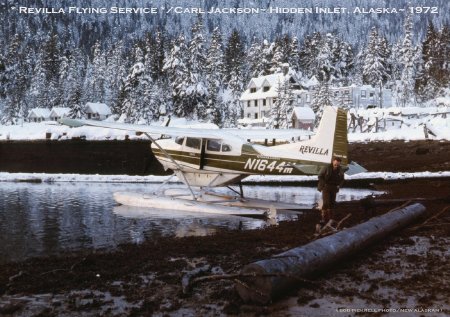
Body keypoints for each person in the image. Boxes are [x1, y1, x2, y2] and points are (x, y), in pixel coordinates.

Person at [317, 157, 345, 227]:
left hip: (334, 187)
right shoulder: (326, 167)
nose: (336, 165)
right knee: (326, 203)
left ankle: (330, 219)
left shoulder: (340, 169)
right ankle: (323, 219)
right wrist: (323, 184)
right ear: (333, 162)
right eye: (335, 164)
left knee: (332, 203)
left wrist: (339, 186)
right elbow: (320, 176)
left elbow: (342, 179)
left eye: (338, 164)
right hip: (326, 187)